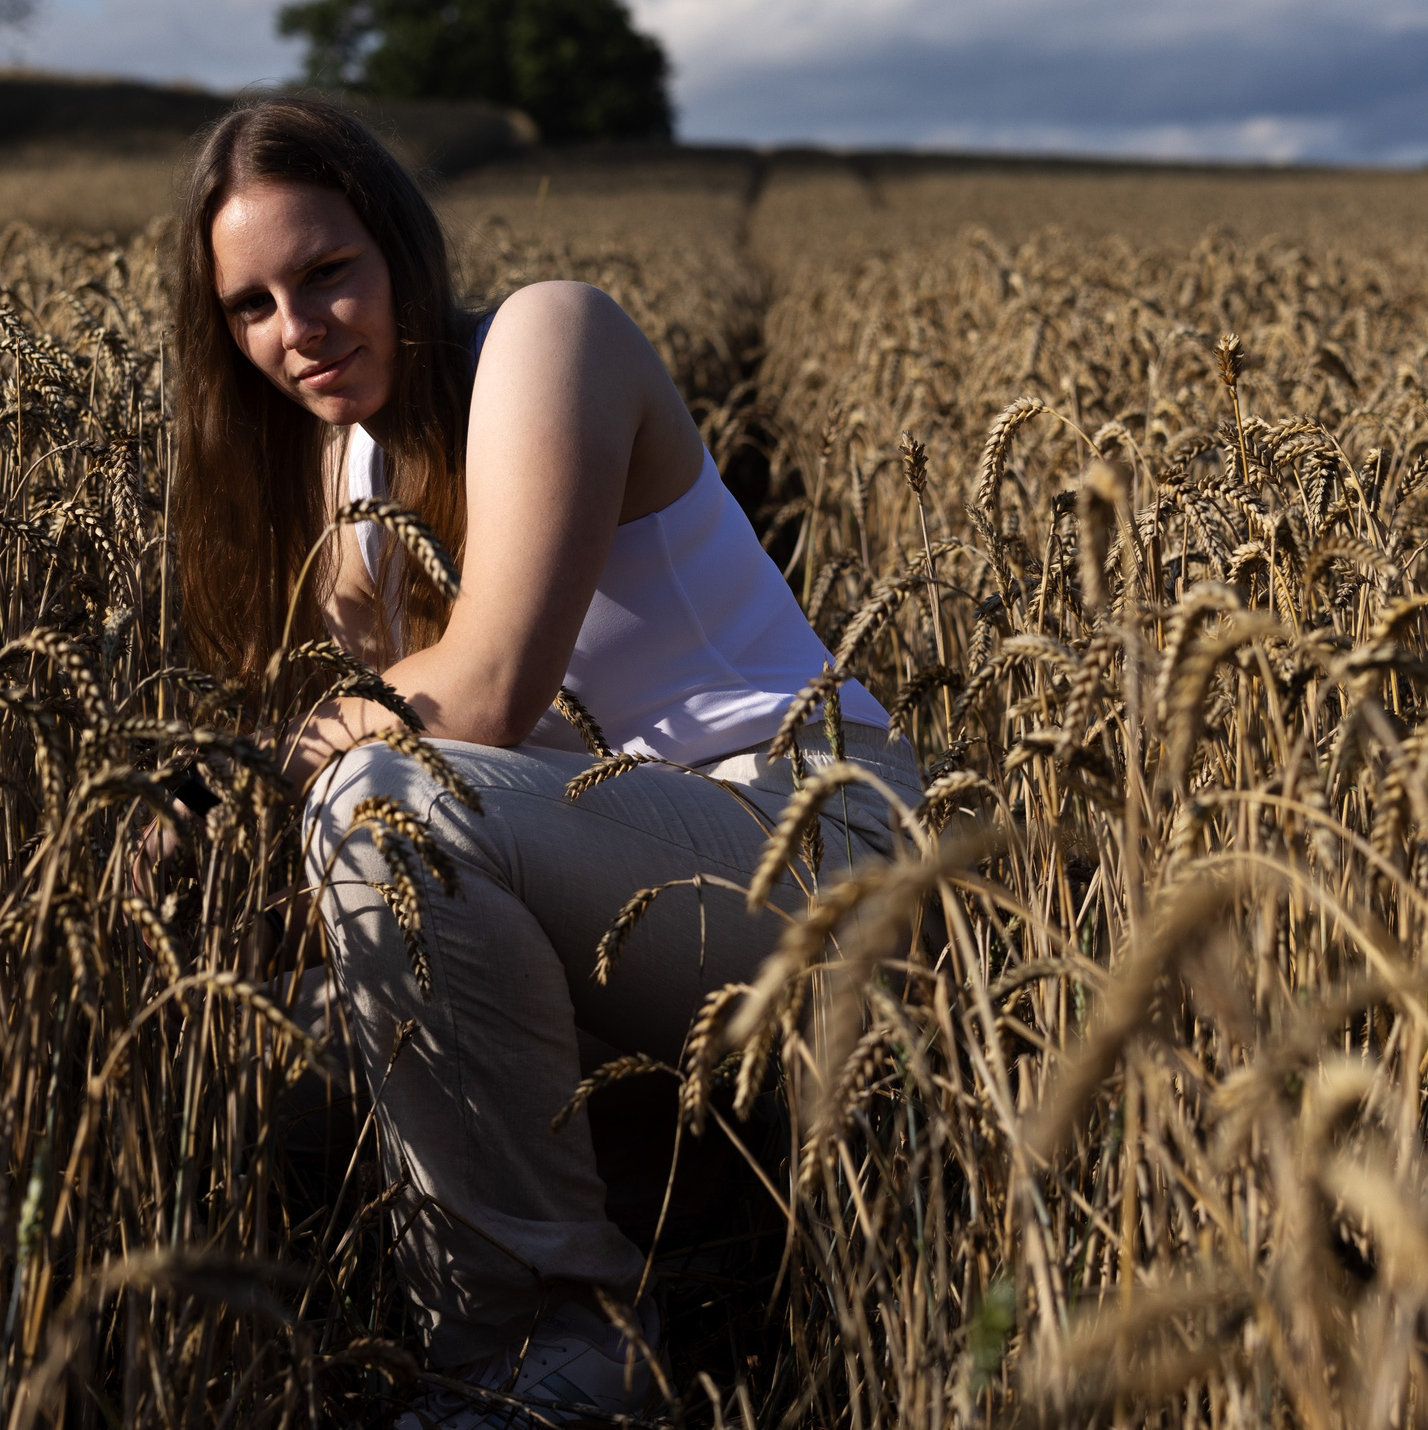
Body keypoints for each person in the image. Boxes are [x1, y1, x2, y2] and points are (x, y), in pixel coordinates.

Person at [168, 96, 914, 1426]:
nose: (299, 329)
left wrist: (232, 788)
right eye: (253, 306)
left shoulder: (548, 337)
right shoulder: (351, 488)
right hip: (616, 905)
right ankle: (709, 1247)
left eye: (328, 273)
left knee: (384, 804)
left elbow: (487, 693)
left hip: (805, 852)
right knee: (272, 1065)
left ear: (399, 245)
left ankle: (545, 1350)